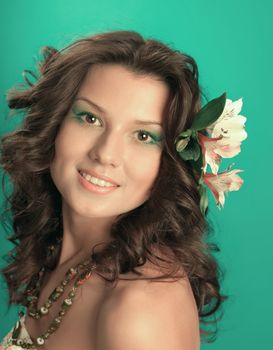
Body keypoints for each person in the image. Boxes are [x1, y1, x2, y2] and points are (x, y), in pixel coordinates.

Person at [0, 30, 246, 350]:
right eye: (90, 118)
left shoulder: (139, 309)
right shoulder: (64, 252)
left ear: (170, 163)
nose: (106, 154)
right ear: (55, 123)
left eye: (144, 136)